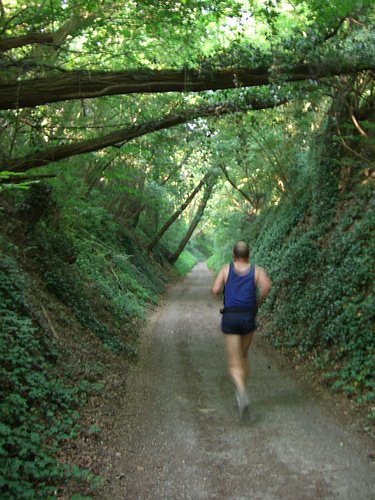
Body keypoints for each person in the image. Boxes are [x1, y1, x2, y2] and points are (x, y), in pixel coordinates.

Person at [211, 241, 272, 418]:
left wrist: (224, 289)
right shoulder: (257, 270)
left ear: (234, 254)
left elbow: (215, 290)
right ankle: (241, 393)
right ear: (248, 255)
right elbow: (267, 286)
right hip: (248, 317)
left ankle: (241, 392)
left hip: (230, 317)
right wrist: (257, 302)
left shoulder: (226, 269)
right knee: (243, 356)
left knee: (233, 361)